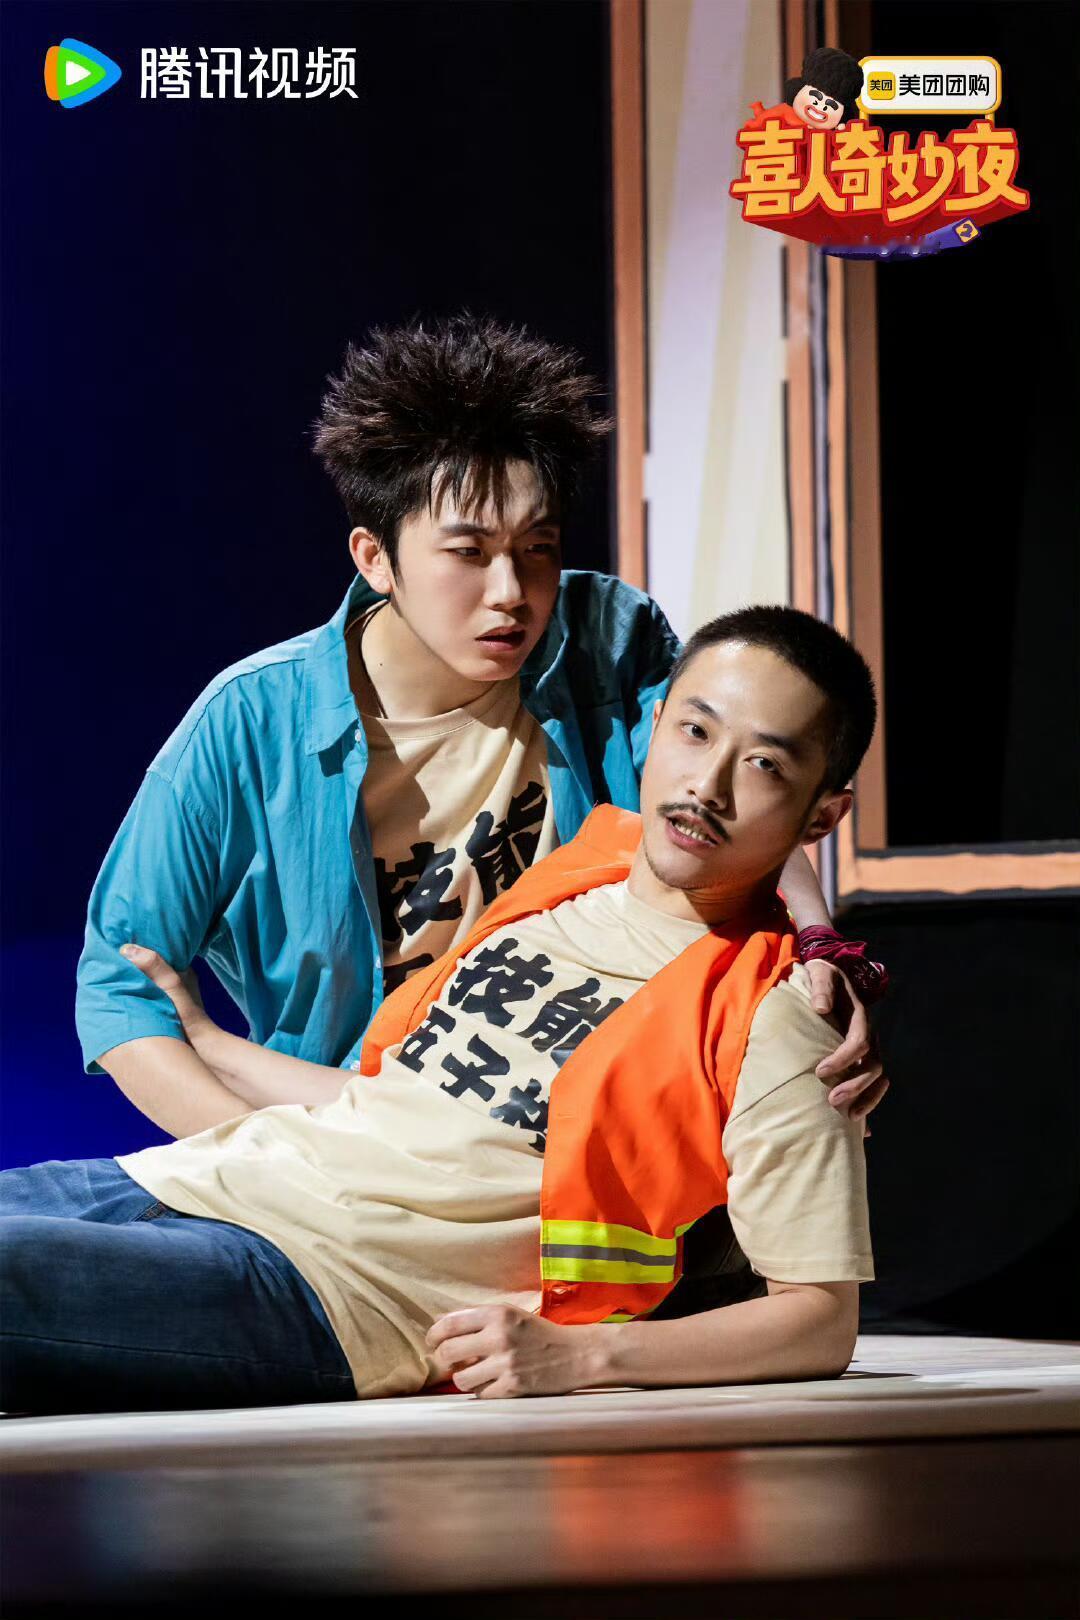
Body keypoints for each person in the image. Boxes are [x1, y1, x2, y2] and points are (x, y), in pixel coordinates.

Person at [2, 606, 876, 1413]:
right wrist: (214, 1045)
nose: (707, 784)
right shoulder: (569, 881)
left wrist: (589, 1355)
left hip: (327, 1286)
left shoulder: (777, 1015)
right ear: (657, 724)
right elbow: (401, 1107)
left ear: (823, 814)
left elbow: (820, 1319)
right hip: (208, 1180)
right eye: (695, 731)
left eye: (765, 765)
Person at [75, 314, 883, 1142]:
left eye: (538, 548)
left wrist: (817, 947)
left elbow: (722, 808)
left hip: (580, 1118)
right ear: (375, 557)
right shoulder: (252, 722)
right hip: (334, 1120)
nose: (511, 592)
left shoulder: (603, 638)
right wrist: (257, 1167)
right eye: (468, 553)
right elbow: (120, 986)